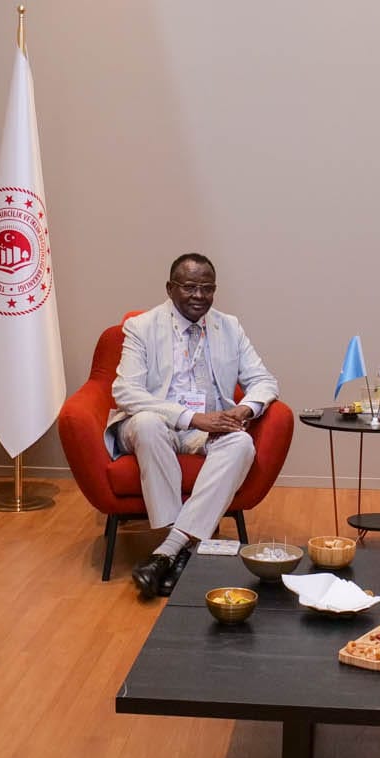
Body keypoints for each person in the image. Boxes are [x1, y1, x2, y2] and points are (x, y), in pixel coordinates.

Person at [111, 253, 280, 598]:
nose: (199, 296)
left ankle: (167, 553)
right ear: (170, 288)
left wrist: (243, 410)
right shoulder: (142, 327)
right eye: (189, 287)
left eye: (207, 288)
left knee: (241, 443)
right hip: (154, 425)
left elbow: (264, 380)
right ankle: (180, 548)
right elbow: (125, 391)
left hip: (206, 430)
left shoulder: (229, 327)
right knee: (147, 424)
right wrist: (190, 417)